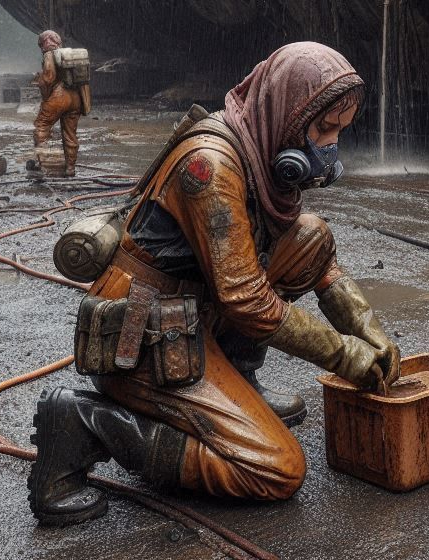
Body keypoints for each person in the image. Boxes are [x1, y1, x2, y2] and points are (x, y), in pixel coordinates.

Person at [28, 42, 400, 525]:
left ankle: (237, 377)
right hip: (146, 331)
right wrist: (345, 355)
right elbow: (247, 299)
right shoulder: (212, 167)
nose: (330, 147)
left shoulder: (257, 147)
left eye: (339, 132)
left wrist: (372, 335)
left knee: (311, 237)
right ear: (286, 114)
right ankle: (85, 424)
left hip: (196, 307)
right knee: (276, 469)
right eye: (324, 129)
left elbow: (319, 264)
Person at [32, 30, 87, 177]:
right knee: (70, 134)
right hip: (76, 98)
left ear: (43, 43)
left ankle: (43, 164)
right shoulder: (69, 55)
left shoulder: (49, 54)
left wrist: (43, 90)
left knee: (41, 127)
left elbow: (49, 78)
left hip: (58, 96)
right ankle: (70, 168)